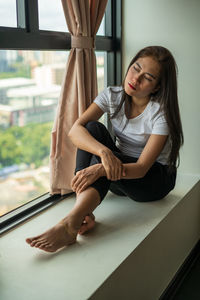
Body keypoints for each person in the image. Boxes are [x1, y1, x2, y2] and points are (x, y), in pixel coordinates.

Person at [26, 46, 184, 253]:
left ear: (156, 87)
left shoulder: (160, 113)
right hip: (117, 177)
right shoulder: (112, 95)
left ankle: (70, 223)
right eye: (135, 68)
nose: (135, 79)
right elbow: (75, 131)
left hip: (152, 181)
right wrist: (104, 153)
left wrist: (101, 168)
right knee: (91, 128)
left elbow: (142, 167)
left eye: (147, 78)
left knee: (102, 153)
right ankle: (84, 213)